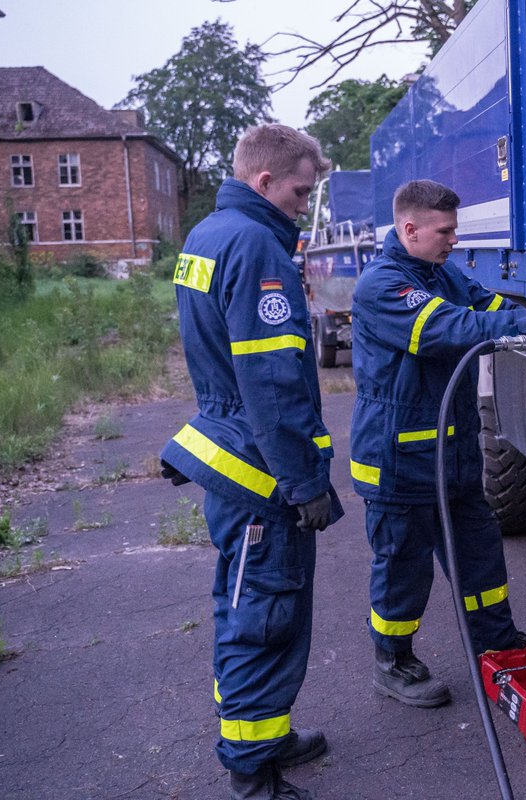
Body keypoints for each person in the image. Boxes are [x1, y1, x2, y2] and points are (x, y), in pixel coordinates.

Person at [349, 179, 526, 707]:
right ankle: (394, 661)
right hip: (398, 463)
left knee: (481, 560)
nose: (454, 240)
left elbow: (489, 304)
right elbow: (449, 328)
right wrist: (524, 321)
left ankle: (496, 646)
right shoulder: (383, 284)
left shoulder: (443, 273)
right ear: (409, 229)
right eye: (445, 231)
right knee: (402, 571)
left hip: (451, 459)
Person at [159, 123, 343, 800]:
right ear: (264, 180)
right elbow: (272, 384)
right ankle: (250, 771)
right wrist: (302, 481)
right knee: (264, 612)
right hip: (263, 466)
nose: (304, 203)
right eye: (300, 190)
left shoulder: (209, 234)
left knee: (246, 600)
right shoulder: (256, 243)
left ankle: (265, 736)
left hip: (233, 451)